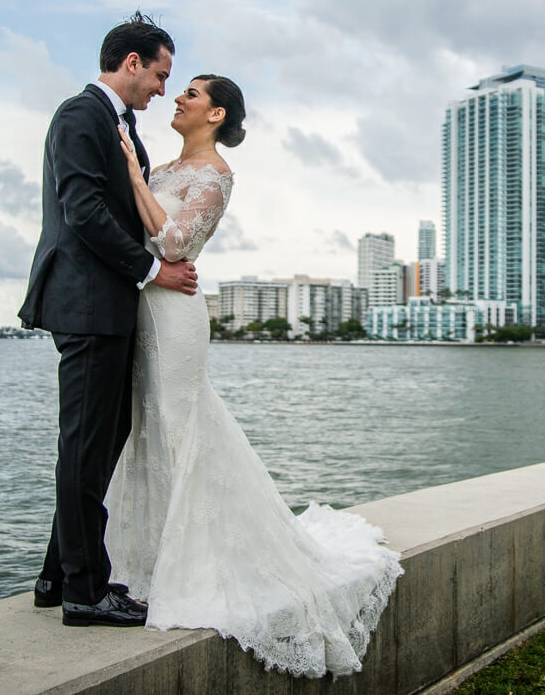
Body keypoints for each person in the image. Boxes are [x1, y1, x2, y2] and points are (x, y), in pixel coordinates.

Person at [102, 74, 403, 677]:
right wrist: (137, 176)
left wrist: (133, 177)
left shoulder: (214, 175)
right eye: (178, 88)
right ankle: (143, 559)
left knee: (179, 423)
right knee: (147, 428)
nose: (179, 99)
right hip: (142, 310)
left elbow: (175, 241)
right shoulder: (163, 164)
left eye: (191, 93)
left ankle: (198, 561)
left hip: (176, 315)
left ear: (215, 114)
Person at [18, 13, 199, 628]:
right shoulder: (80, 115)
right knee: (85, 446)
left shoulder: (117, 126)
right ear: (130, 63)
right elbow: (84, 211)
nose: (160, 89)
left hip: (106, 307)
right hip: (88, 305)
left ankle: (57, 575)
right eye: (158, 74)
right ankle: (86, 592)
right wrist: (152, 273)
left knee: (92, 449)